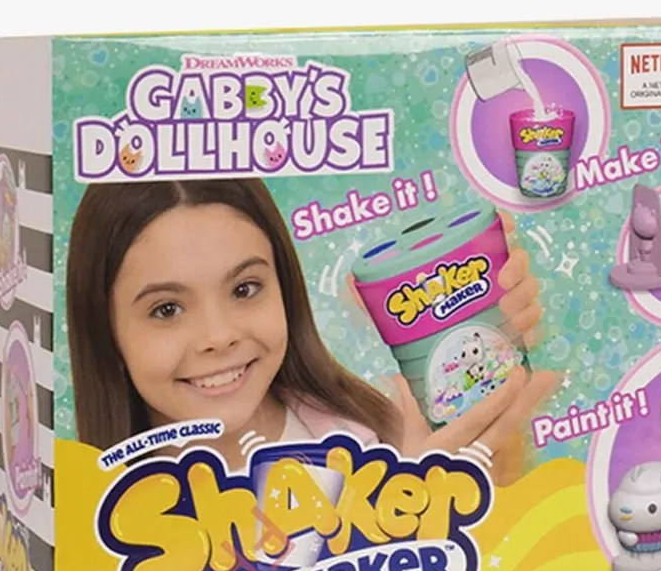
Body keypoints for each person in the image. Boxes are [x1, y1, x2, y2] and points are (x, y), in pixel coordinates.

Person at [67, 178, 554, 482]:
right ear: (105, 331)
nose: (218, 336)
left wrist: (486, 453)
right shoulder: (92, 522)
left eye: (244, 289)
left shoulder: (379, 434)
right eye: (167, 309)